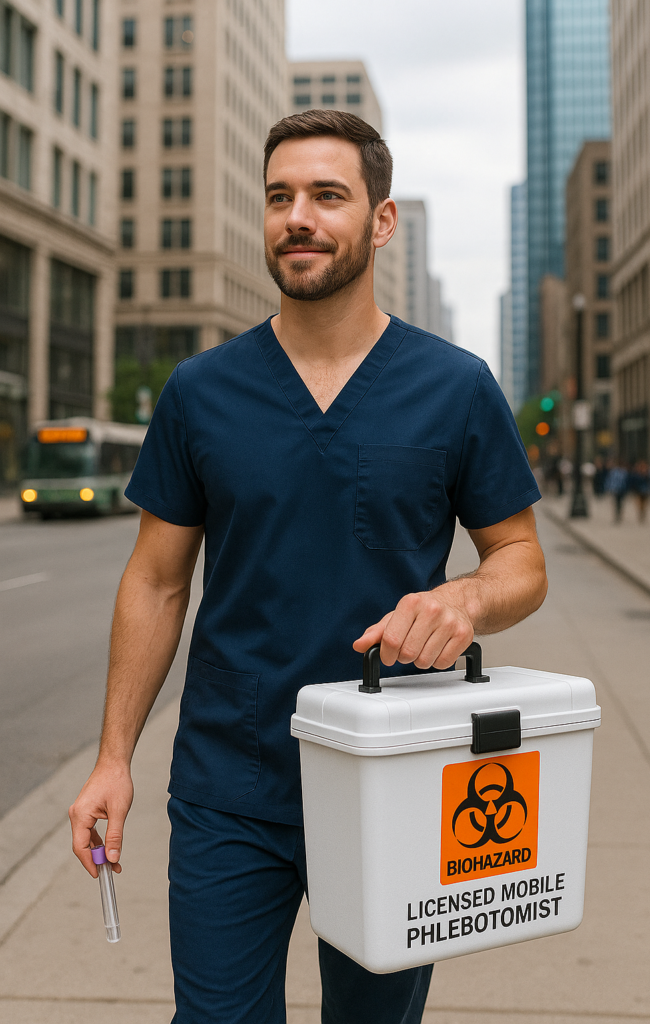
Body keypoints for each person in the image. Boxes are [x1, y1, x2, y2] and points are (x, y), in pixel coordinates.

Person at [69, 110, 548, 1024]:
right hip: (228, 781)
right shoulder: (200, 391)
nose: (299, 217)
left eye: (328, 195)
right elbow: (157, 581)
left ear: (380, 220)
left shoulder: (455, 386)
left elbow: (520, 559)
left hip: (395, 778)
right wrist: (113, 759)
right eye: (280, 196)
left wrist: (466, 599)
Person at [629, 459, 650, 523]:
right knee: (639, 504)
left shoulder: (648, 474)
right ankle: (640, 514)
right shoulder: (636, 474)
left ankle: (643, 514)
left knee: (645, 504)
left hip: (646, 491)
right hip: (638, 491)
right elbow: (633, 482)